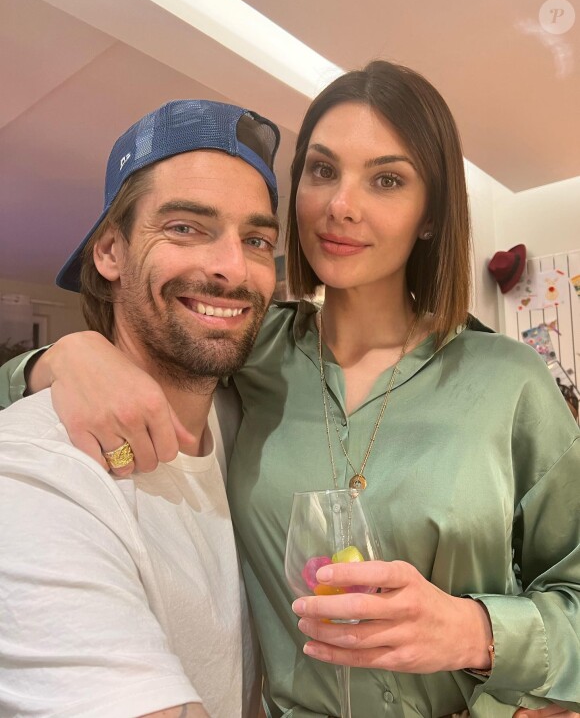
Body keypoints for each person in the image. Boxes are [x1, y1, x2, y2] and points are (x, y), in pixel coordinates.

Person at [1, 61, 579, 718]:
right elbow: (25, 441)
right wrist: (62, 357)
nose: (341, 205)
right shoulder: (248, 348)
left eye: (386, 179)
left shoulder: (508, 381)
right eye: (323, 170)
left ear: (430, 214)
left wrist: (477, 632)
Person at [0, 98, 282, 717]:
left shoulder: (249, 417)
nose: (233, 269)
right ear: (109, 253)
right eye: (185, 227)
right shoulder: (33, 473)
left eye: (257, 239)